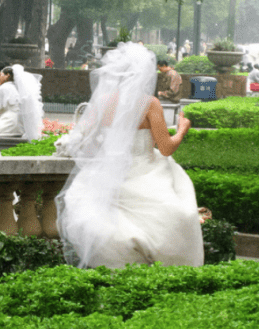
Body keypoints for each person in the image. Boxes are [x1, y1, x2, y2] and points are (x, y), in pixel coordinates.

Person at [56, 42, 204, 269]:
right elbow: (165, 148)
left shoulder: (102, 103)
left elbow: (87, 142)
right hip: (145, 167)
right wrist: (183, 128)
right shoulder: (149, 103)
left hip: (109, 169)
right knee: (176, 214)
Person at [0, 62, 44, 140]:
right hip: (20, 125)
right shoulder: (19, 90)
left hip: (8, 122)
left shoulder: (4, 88)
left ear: (7, 75)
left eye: (1, 75)